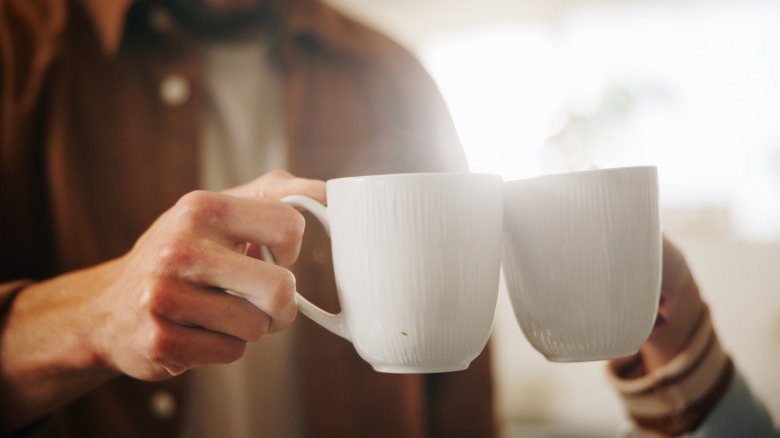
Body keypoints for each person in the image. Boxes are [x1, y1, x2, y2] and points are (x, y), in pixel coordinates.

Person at [0, 0, 776, 437]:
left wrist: (683, 364)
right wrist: (90, 320)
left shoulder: (395, 76)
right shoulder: (17, 49)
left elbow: (462, 399)